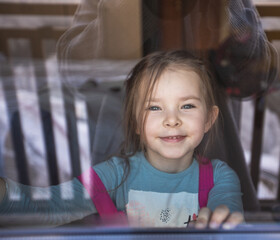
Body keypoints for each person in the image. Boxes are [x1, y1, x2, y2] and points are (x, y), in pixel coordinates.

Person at [0, 50, 244, 228]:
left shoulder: (220, 177)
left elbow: (226, 209)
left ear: (209, 119)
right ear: (136, 122)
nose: (172, 120)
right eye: (155, 108)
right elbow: (49, 208)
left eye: (187, 105)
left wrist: (223, 218)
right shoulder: (115, 176)